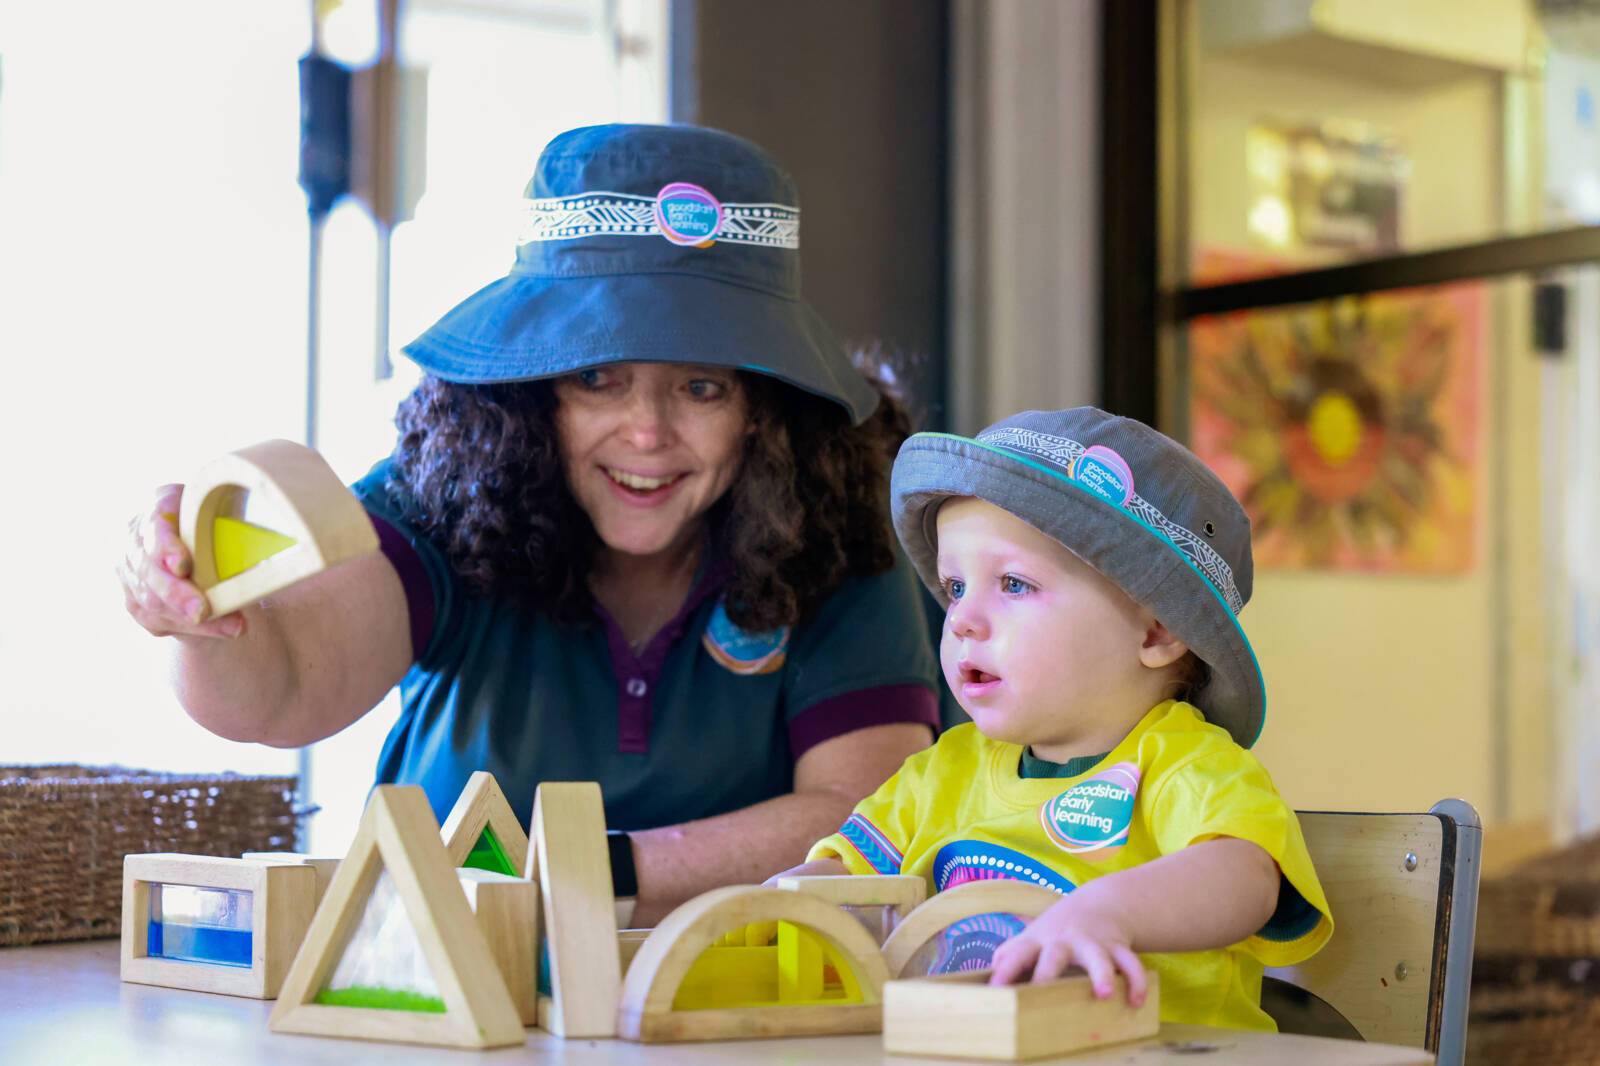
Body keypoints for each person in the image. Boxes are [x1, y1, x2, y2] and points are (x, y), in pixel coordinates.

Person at [117, 123, 940, 924]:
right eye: (597, 378)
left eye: (702, 388)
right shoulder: (441, 500)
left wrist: (580, 871)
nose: (647, 431)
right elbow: (282, 691)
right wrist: (197, 618)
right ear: (532, 390)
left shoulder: (836, 531)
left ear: (763, 409)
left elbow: (867, 819)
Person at [772, 407, 1332, 1030]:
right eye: (957, 587)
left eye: (1013, 584)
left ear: (1156, 630)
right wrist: (793, 894)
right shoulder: (941, 773)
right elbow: (843, 878)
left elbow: (1244, 878)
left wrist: (1110, 913)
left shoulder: (1185, 764)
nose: (961, 619)